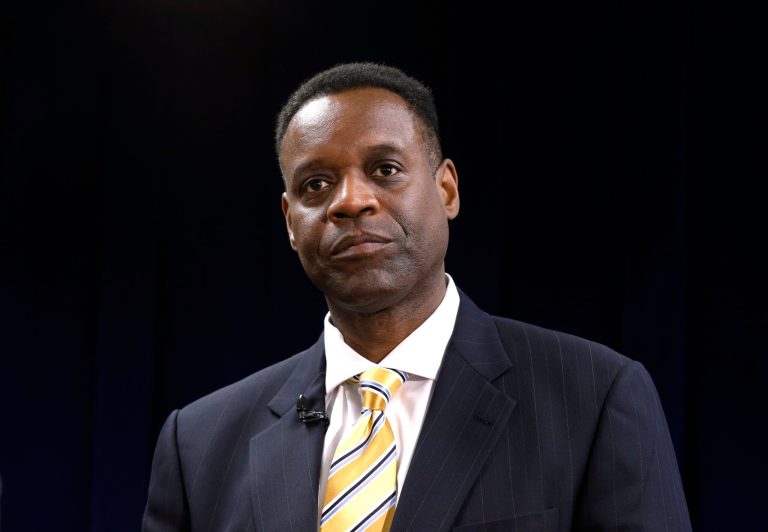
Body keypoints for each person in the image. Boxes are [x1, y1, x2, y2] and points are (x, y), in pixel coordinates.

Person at [142, 62, 691, 531]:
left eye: (385, 170)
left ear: (446, 189)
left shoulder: (595, 398)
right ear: (290, 222)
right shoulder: (198, 444)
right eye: (316, 185)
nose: (350, 201)